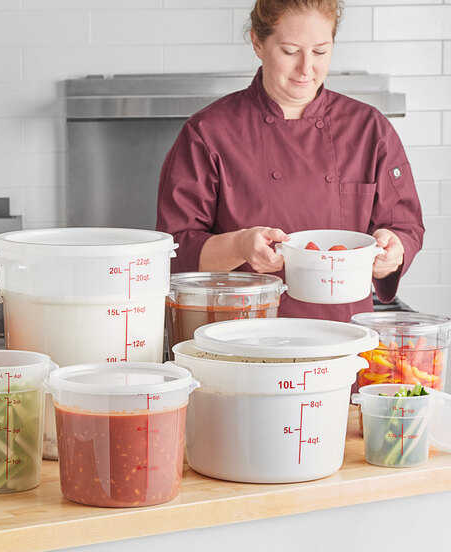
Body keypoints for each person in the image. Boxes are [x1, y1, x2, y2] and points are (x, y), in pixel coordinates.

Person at [156, 0, 424, 322]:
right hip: (240, 339)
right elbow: (175, 250)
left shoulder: (370, 128)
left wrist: (394, 252)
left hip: (342, 337)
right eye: (290, 51)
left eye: (321, 51)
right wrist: (239, 245)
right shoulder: (208, 133)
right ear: (258, 43)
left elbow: (404, 226)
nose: (306, 68)